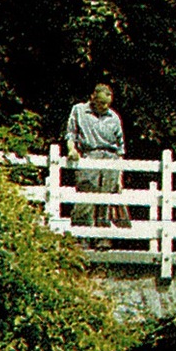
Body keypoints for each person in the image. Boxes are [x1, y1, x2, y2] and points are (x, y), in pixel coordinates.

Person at [65, 84, 125, 245]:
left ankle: (103, 240)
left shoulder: (114, 117)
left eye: (107, 104)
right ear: (93, 98)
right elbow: (70, 133)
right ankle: (80, 240)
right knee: (86, 198)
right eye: (101, 103)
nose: (104, 107)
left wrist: (119, 177)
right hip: (90, 155)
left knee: (106, 201)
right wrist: (72, 149)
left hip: (110, 159)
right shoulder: (79, 110)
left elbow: (120, 149)